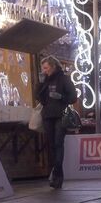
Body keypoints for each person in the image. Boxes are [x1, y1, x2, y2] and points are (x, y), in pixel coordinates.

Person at [36, 55, 77, 189]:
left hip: (60, 115)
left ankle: (57, 174)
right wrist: (40, 83)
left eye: (46, 68)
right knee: (51, 145)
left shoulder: (64, 79)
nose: (44, 71)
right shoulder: (45, 81)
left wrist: (61, 97)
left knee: (58, 143)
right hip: (48, 116)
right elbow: (40, 98)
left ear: (53, 67)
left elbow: (73, 97)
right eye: (43, 68)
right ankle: (56, 173)